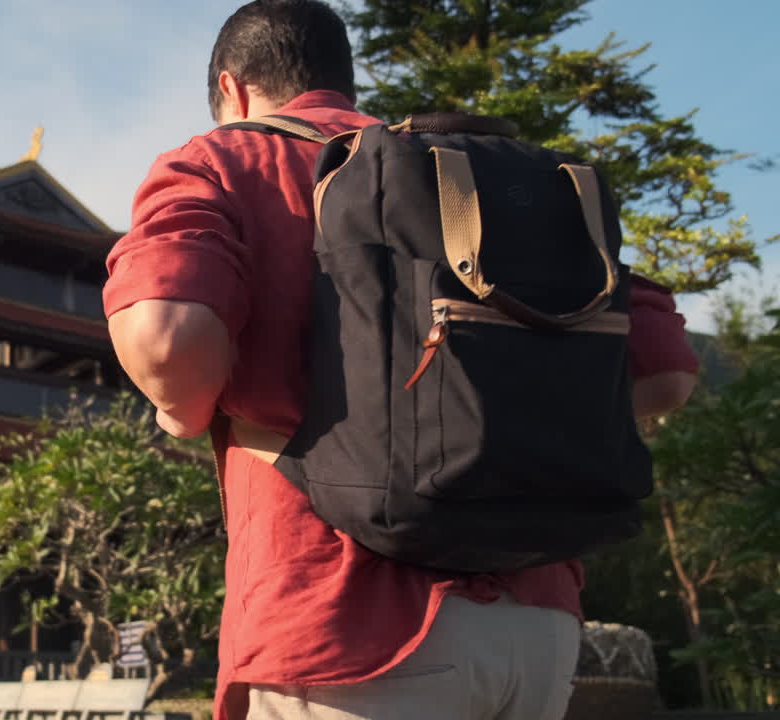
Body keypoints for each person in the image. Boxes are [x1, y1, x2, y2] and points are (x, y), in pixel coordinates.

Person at [103, 1, 700, 719]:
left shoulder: (224, 160)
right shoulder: (462, 178)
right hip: (539, 623)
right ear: (344, 83)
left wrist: (180, 410)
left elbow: (168, 339)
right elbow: (666, 373)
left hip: (346, 628)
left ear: (231, 90)